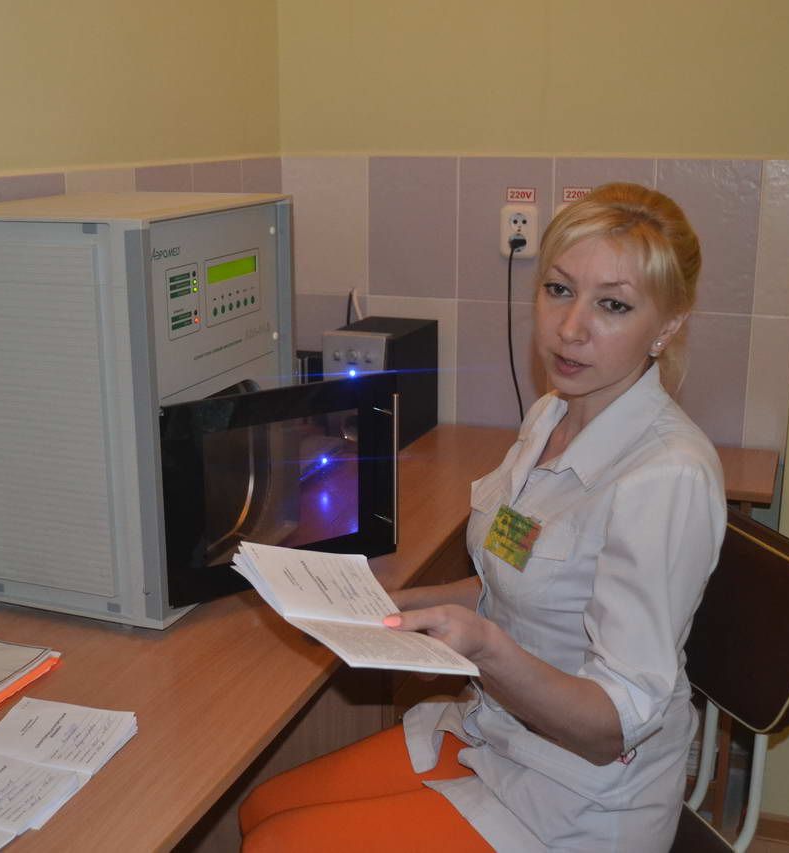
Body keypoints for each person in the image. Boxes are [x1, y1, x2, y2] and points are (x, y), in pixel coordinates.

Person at [239, 183, 727, 852]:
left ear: (667, 327)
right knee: (262, 808)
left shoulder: (666, 477)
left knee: (277, 844)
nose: (571, 327)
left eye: (612, 304)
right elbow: (514, 579)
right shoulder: (551, 416)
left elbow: (611, 726)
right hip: (498, 735)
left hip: (579, 801)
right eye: (559, 290)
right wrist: (390, 604)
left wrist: (483, 647)